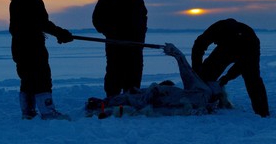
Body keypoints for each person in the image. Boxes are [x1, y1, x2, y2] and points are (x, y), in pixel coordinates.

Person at [85, 43, 232, 118]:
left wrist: (176, 53)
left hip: (161, 96)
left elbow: (188, 73)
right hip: (164, 100)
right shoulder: (203, 103)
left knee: (133, 98)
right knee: (132, 100)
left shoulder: (203, 92)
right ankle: (103, 105)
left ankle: (102, 104)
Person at [9, 0, 73, 120]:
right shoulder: (30, 1)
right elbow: (41, 23)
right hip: (31, 47)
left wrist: (58, 33)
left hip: (20, 47)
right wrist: (60, 33)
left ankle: (28, 112)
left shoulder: (18, 0)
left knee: (28, 79)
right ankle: (48, 112)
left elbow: (39, 24)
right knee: (42, 78)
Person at [191, 18, 269, 117]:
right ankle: (204, 101)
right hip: (224, 49)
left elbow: (242, 65)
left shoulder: (249, 39)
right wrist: (196, 69)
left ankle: (262, 111)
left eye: (217, 42)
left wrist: (227, 77)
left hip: (247, 50)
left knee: (252, 79)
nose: (215, 43)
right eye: (216, 41)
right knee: (206, 73)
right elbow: (199, 45)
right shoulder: (217, 28)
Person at [92, 0, 148, 97]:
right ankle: (112, 98)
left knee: (134, 72)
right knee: (115, 71)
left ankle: (131, 98)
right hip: (115, 44)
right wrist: (111, 34)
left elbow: (143, 20)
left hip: (135, 45)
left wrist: (140, 39)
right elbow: (97, 20)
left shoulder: (137, 0)